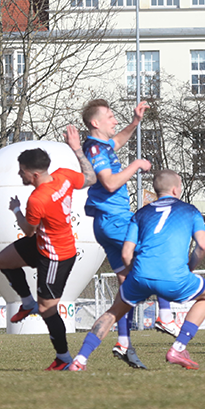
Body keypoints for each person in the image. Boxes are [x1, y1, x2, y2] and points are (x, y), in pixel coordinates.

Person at [69, 170, 205, 371]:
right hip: (175, 276)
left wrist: (134, 274)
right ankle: (178, 347)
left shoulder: (140, 213)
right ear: (175, 189)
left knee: (114, 311)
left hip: (140, 275)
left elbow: (126, 253)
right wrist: (189, 268)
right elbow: (202, 245)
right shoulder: (190, 211)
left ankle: (80, 359)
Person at [81, 99, 179, 370]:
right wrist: (135, 165)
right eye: (110, 116)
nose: (114, 120)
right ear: (95, 123)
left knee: (126, 287)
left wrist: (135, 123)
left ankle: (123, 341)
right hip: (116, 221)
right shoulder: (95, 148)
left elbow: (120, 141)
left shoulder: (102, 145)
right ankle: (165, 315)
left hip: (108, 223)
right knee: (156, 253)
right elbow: (110, 183)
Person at [0, 126, 97, 371]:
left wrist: (17, 210)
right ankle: (26, 302)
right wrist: (76, 149)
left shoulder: (38, 199)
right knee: (3, 260)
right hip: (44, 242)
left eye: (22, 172)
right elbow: (90, 178)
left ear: (33, 174)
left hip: (56, 256)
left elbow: (28, 230)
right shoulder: (63, 175)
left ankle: (63, 357)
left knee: (48, 309)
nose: (20, 176)